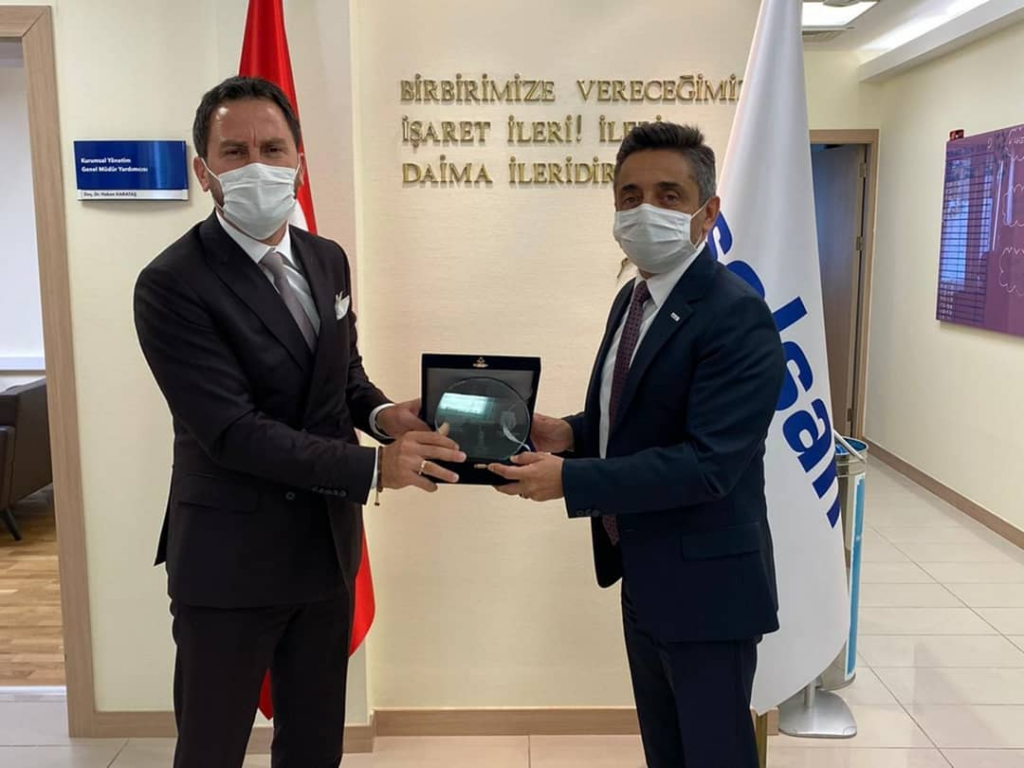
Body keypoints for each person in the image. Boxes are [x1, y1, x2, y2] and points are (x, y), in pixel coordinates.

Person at [133, 76, 465, 768]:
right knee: (210, 750)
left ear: (299, 163)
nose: (257, 165)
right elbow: (233, 431)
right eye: (235, 151)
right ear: (203, 171)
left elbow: (342, 375)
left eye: (273, 148)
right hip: (228, 561)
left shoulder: (325, 258)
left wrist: (385, 415)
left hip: (324, 550)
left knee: (314, 747)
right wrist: (375, 467)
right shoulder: (171, 283)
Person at [490, 122, 785, 768]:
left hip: (709, 593)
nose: (645, 209)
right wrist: (571, 433)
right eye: (630, 196)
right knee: (666, 752)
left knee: (714, 756)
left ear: (708, 212)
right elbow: (637, 419)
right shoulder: (633, 298)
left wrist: (570, 480)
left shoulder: (737, 316)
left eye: (668, 195)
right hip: (645, 577)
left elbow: (708, 464)